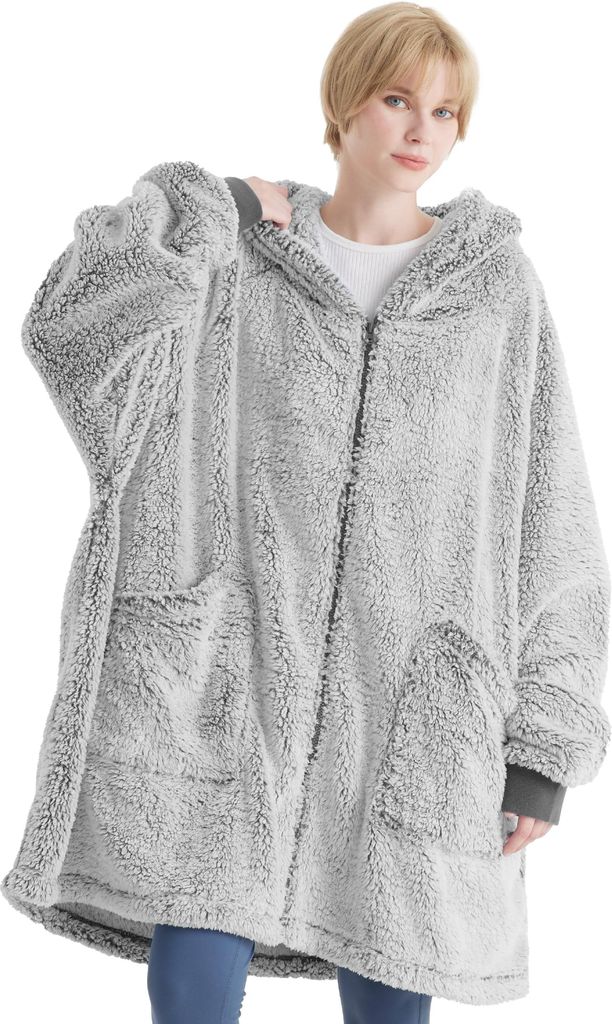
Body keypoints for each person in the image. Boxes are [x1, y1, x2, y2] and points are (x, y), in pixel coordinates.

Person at [3, 4, 609, 1022]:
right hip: (222, 683)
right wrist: (210, 209)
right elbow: (72, 327)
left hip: (414, 708)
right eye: (398, 99)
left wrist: (543, 747)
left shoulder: (495, 291)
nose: (422, 130)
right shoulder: (240, 258)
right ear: (346, 103)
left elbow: (552, 521)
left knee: (391, 979)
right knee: (194, 968)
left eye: (446, 112)